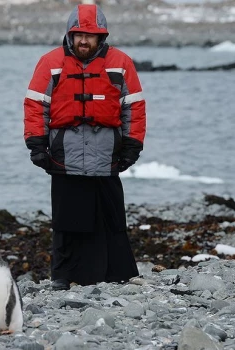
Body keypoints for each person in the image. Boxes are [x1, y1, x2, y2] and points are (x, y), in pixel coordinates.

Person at [23, 4, 147, 290]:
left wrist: (133, 145)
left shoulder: (121, 62)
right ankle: (64, 276)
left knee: (112, 216)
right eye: (78, 34)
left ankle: (117, 273)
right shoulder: (50, 62)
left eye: (90, 36)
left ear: (101, 37)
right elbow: (35, 105)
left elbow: (134, 107)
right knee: (66, 219)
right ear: (70, 34)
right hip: (65, 154)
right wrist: (36, 144)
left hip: (107, 154)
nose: (83, 41)